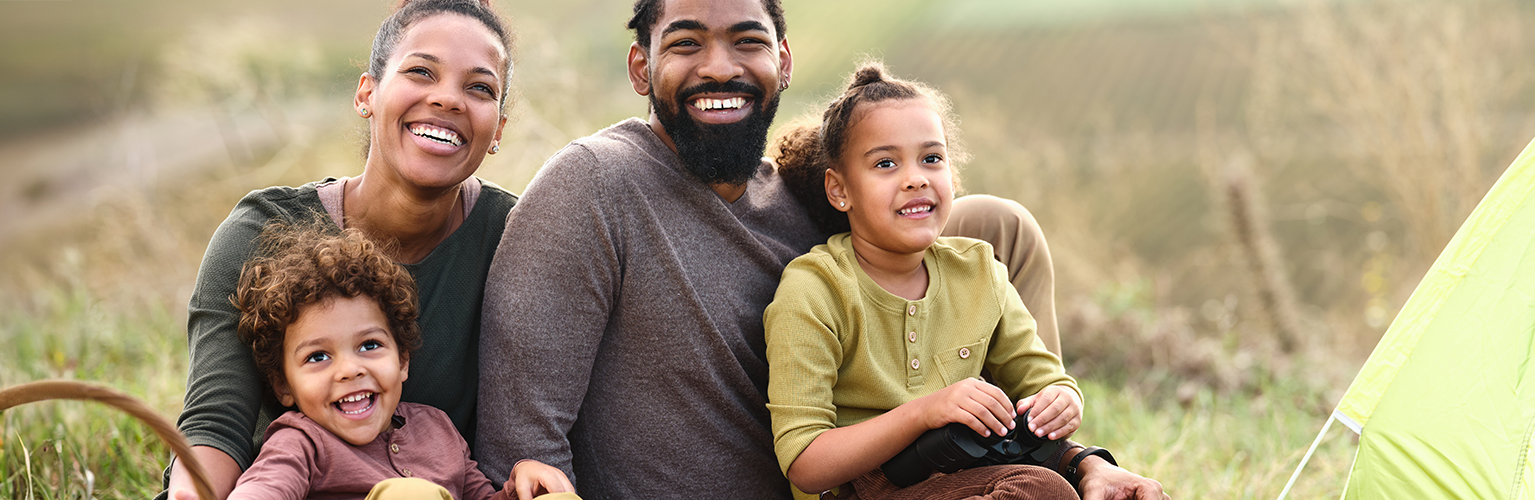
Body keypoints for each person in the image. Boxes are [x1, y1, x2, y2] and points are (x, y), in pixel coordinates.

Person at [474, 0, 1168, 499]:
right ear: (640, 65)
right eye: (685, 43)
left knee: (996, 226)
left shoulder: (803, 205)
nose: (719, 67)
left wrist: (1085, 462)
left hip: (888, 479)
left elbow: (914, 361)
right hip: (814, 473)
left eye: (747, 41)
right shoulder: (595, 184)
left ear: (782, 61)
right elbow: (523, 443)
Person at [166, 1, 519, 498]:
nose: (448, 100)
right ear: (367, 93)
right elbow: (215, 423)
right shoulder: (261, 232)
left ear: (498, 128)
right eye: (421, 72)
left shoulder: (518, 236)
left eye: (479, 88)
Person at [766, 62, 1083, 500]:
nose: (915, 178)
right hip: (863, 489)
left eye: (931, 158)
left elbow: (1042, 377)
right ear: (840, 190)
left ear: (951, 176)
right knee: (1041, 489)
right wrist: (925, 412)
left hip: (962, 476)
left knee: (1046, 486)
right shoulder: (815, 289)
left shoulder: (979, 270)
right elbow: (805, 463)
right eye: (886, 163)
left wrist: (1061, 399)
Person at [222, 225, 575, 500]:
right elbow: (265, 488)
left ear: (402, 359)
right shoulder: (302, 441)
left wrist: (520, 484)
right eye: (318, 356)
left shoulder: (438, 430)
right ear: (283, 384)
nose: (349, 369)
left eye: (369, 345)